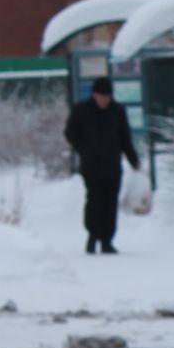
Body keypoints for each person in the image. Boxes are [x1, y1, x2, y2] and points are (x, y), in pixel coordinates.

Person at [63, 75, 141, 255]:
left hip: (113, 165)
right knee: (94, 201)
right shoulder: (81, 110)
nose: (104, 100)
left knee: (110, 203)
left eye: (107, 97)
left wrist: (133, 159)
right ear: (94, 95)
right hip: (91, 166)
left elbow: (125, 138)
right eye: (101, 96)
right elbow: (70, 132)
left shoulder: (118, 111)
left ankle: (107, 240)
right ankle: (92, 235)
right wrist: (83, 148)